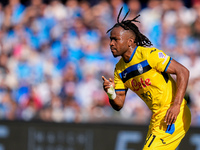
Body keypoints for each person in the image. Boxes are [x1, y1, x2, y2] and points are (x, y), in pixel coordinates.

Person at [102, 7, 191, 150]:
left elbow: (183, 72)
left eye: (115, 39)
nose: (111, 43)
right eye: (110, 40)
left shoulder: (149, 55)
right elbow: (118, 104)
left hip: (173, 115)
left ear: (130, 41)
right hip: (157, 119)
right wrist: (110, 92)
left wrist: (176, 106)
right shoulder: (119, 69)